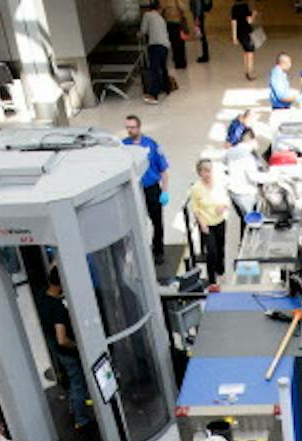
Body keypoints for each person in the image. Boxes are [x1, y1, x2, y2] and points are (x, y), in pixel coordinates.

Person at [39, 270, 91, 429]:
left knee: (72, 380)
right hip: (68, 352)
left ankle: (73, 407)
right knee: (78, 383)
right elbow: (62, 339)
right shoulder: (58, 308)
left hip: (56, 350)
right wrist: (77, 346)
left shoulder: (43, 298)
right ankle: (81, 419)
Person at [124, 116, 169, 259]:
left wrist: (165, 191)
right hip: (134, 190)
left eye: (132, 127)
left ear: (139, 128)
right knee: (136, 222)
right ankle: (140, 251)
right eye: (128, 127)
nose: (130, 130)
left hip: (151, 189)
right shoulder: (123, 146)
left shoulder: (151, 145)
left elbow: (163, 170)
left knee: (157, 222)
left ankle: (159, 251)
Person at [189, 158, 231, 285]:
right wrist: (202, 223)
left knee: (220, 248)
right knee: (211, 252)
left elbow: (226, 200)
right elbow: (196, 209)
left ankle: (221, 270)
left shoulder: (218, 184)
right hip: (207, 224)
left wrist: (223, 206)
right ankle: (212, 279)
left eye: (210, 170)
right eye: (205, 171)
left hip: (220, 221)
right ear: (200, 172)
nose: (208, 173)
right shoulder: (196, 188)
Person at [224, 132, 267, 232]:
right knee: (252, 225)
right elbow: (254, 176)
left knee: (245, 221)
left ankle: (243, 242)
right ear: (251, 140)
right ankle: (249, 245)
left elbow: (225, 166)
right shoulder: (247, 155)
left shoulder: (230, 151)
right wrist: (274, 176)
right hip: (245, 194)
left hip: (234, 194)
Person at [140, 1, 171, 102]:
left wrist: (139, 34)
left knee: (155, 70)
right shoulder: (161, 18)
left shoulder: (147, 15)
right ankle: (167, 88)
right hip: (165, 46)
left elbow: (143, 30)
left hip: (155, 45)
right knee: (163, 67)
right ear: (159, 8)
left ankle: (154, 95)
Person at [161, 0, 192, 69]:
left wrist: (177, 2)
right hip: (169, 23)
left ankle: (182, 62)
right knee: (174, 43)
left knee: (181, 43)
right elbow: (162, 10)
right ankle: (177, 62)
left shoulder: (178, 1)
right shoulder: (165, 2)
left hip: (178, 23)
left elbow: (184, 8)